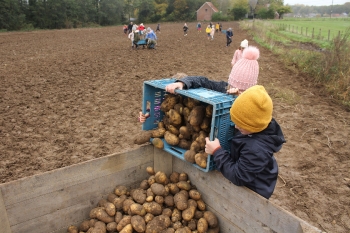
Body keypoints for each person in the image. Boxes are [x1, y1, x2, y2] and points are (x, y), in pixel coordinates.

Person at [138, 46, 261, 121]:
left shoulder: (256, 106)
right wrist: (151, 112)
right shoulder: (222, 88)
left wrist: (241, 100)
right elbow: (202, 81)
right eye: (233, 86)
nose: (235, 90)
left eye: (242, 90)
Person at [205, 85, 285, 199]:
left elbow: (238, 176)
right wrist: (241, 100)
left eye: (241, 125)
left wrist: (217, 152)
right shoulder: (259, 123)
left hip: (255, 190)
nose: (236, 127)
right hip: (248, 170)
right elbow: (251, 113)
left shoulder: (256, 149)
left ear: (254, 127)